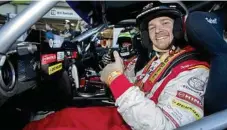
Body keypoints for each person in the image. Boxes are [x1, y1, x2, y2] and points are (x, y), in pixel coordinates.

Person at [23, 2, 209, 130]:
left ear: (178, 28)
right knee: (62, 117)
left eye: (165, 23)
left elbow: (163, 127)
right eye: (151, 27)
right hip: (127, 118)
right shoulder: (161, 60)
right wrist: (115, 72)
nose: (157, 30)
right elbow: (137, 85)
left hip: (136, 124)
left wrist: (115, 78)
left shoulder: (193, 70)